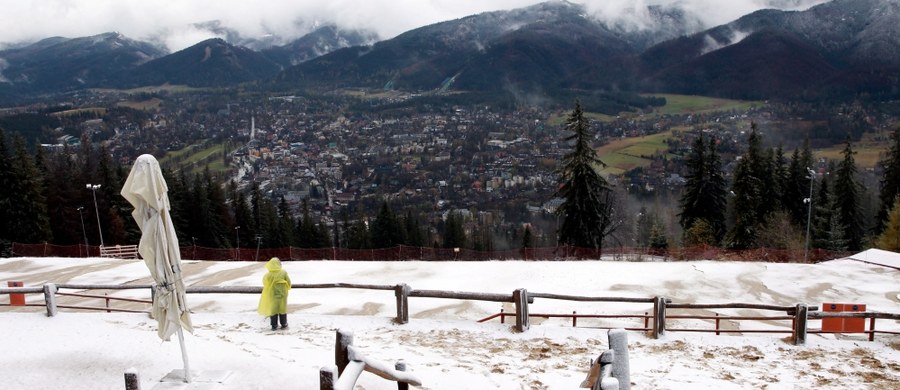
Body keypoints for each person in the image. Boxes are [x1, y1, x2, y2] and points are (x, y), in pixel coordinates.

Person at [257, 257, 291, 330]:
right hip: (283, 294)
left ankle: (274, 325)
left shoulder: (268, 275)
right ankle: (284, 323)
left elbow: (265, 283)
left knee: (273, 309)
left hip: (272, 294)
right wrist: (287, 288)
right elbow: (288, 282)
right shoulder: (284, 272)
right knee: (282, 308)